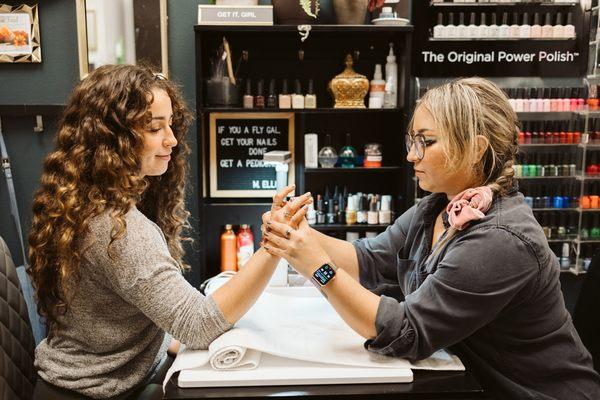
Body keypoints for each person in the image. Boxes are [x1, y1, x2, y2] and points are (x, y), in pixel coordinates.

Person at [262, 77, 600, 399]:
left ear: (476, 147)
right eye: (412, 141)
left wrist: (318, 268)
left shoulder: (499, 240)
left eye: (427, 141)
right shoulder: (435, 209)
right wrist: (294, 231)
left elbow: (408, 332)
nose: (411, 155)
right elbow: (368, 258)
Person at [28, 64, 310, 399]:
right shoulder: (120, 230)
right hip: (91, 393)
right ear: (111, 139)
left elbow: (121, 317)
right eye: (153, 128)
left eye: (171, 125)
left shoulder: (80, 202)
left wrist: (169, 339)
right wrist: (273, 244)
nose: (171, 140)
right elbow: (200, 324)